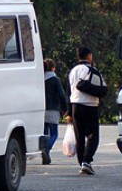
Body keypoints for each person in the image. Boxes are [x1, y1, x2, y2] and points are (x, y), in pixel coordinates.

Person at [68, 46, 106, 175]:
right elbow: (102, 88)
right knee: (93, 136)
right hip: (90, 105)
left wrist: (69, 112)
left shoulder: (73, 71)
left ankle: (82, 163)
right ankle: (86, 161)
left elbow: (71, 91)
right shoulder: (91, 69)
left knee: (80, 137)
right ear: (89, 56)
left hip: (75, 106)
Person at [42, 58, 69, 165]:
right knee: (54, 134)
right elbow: (62, 95)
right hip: (53, 109)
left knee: (44, 133)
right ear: (53, 68)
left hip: (41, 110)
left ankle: (44, 152)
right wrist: (65, 109)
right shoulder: (55, 80)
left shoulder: (39, 79)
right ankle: (46, 149)